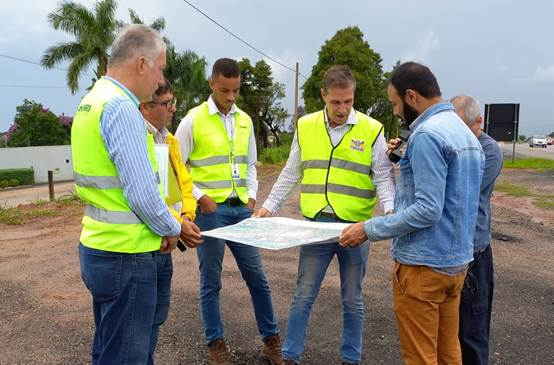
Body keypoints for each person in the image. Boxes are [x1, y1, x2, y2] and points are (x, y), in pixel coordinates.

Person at [339, 62, 485, 365]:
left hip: (423, 267)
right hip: (457, 264)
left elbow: (428, 209)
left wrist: (368, 228)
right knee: (449, 354)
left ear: (411, 96)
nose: (395, 111)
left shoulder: (427, 135)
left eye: (395, 103)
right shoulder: (466, 133)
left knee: (421, 358)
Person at [72, 24, 201, 365]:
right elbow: (143, 196)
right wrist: (175, 228)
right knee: (127, 356)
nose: (161, 80)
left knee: (109, 349)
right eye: (160, 68)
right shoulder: (121, 108)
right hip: (126, 255)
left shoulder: (91, 103)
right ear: (142, 64)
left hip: (99, 247)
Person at [254, 65, 396, 365]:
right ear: (323, 95)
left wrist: (391, 213)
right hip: (316, 227)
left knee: (353, 299)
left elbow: (383, 177)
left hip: (355, 230)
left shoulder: (373, 130)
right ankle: (290, 356)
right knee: (303, 294)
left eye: (348, 101)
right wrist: (269, 205)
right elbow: (291, 172)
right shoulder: (306, 126)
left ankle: (351, 359)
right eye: (336, 102)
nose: (342, 109)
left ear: (353, 95)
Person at [174, 58, 282, 365]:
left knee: (257, 278)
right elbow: (177, 166)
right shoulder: (193, 120)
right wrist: (199, 196)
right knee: (211, 281)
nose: (231, 97)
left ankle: (271, 341)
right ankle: (216, 346)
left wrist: (251, 197)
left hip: (241, 213)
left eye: (235, 90)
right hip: (210, 213)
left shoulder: (245, 120)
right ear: (212, 85)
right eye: (225, 90)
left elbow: (250, 165)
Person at [139, 79, 203, 364]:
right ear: (145, 107)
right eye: (166, 104)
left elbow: (183, 184)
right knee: (140, 321)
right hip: (149, 243)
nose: (173, 109)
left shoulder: (169, 139)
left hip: (169, 239)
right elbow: (148, 195)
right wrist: (177, 224)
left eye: (172, 102)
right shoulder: (140, 140)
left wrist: (187, 217)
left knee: (156, 316)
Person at [450, 95, 503, 365]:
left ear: (478, 121)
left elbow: (461, 192)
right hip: (449, 251)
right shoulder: (454, 144)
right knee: (448, 330)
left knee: (472, 329)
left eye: (461, 126)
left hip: (475, 251)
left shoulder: (489, 151)